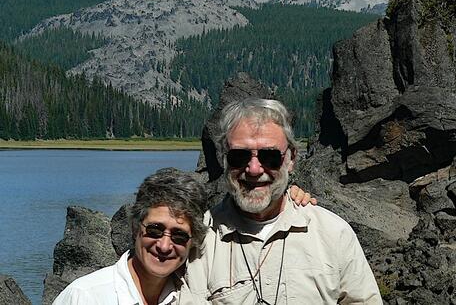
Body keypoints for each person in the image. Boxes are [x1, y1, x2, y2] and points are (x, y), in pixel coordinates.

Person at [186, 98, 382, 304]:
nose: (254, 169)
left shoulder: (333, 233)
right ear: (224, 160)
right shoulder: (200, 241)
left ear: (291, 159)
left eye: (269, 157)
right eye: (239, 156)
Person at [53, 169, 208, 304]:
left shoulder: (192, 299)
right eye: (155, 230)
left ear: (193, 241)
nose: (164, 246)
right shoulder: (85, 297)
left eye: (179, 236)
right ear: (135, 227)